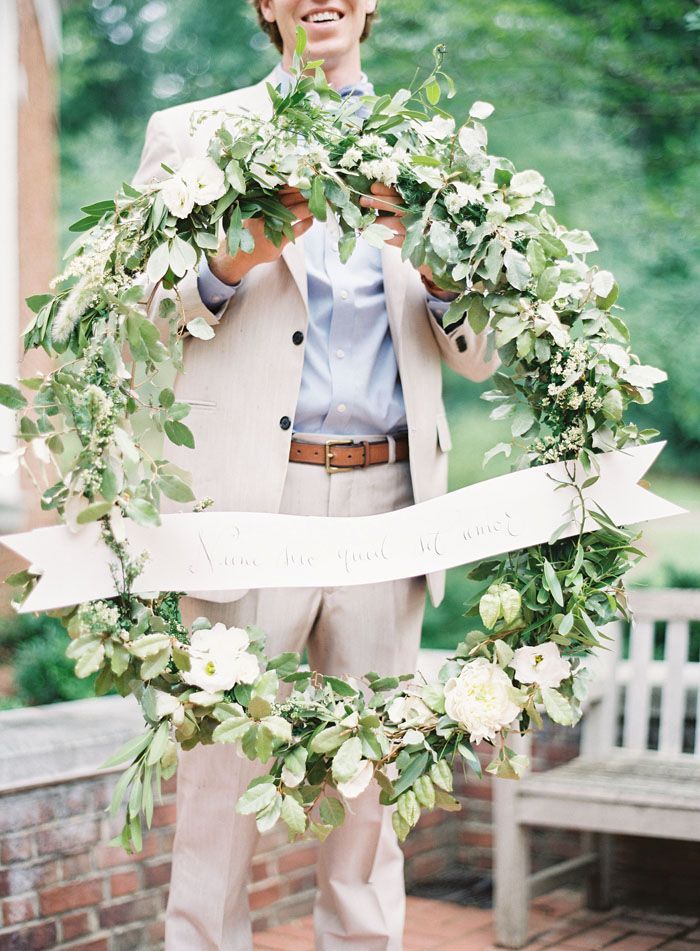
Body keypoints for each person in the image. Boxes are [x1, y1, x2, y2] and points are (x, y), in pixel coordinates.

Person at [132, 1, 499, 947]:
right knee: (219, 785)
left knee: (370, 786)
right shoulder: (194, 134)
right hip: (252, 498)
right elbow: (135, 318)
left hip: (389, 504)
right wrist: (226, 262)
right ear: (264, 3)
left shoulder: (439, 148)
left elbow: (480, 353)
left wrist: (442, 261)